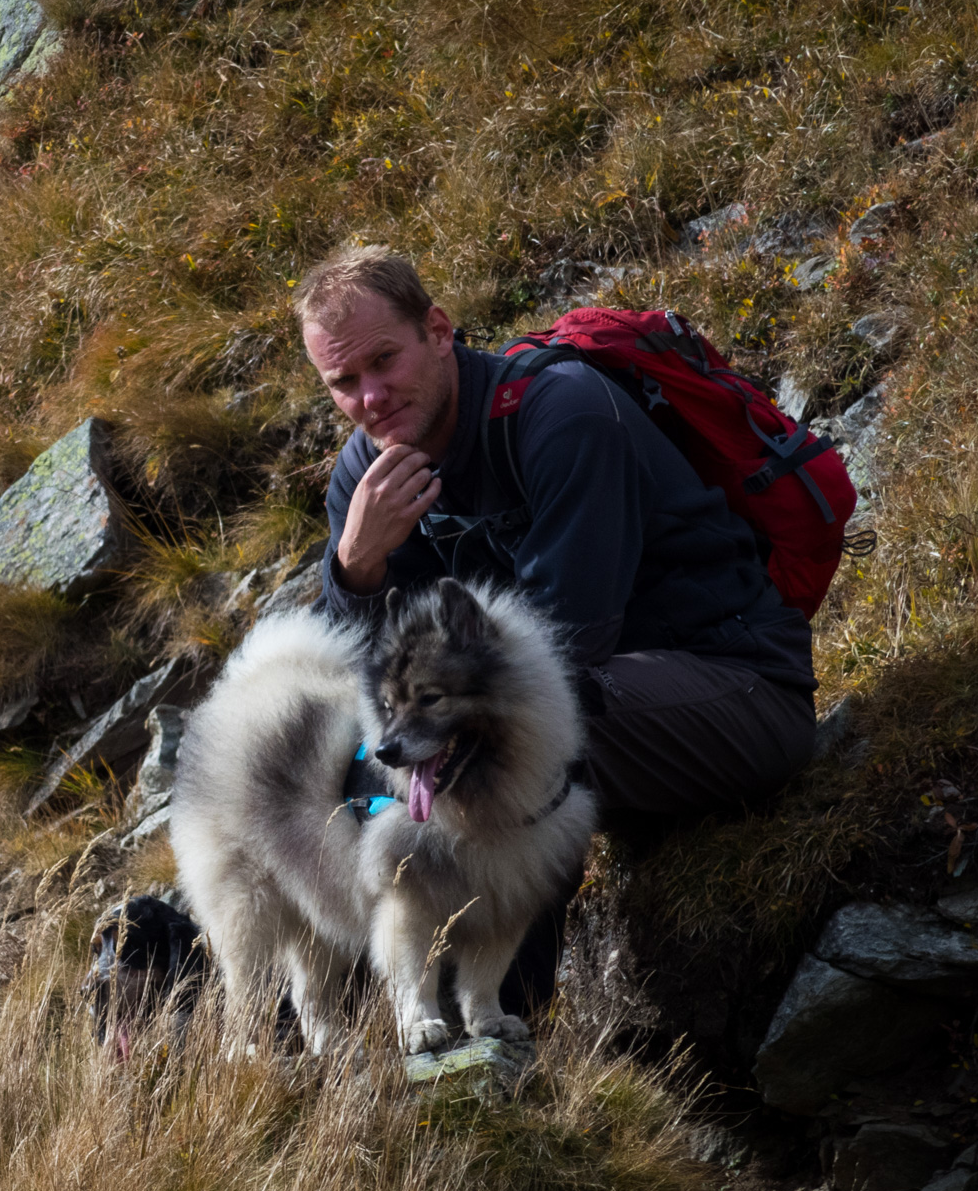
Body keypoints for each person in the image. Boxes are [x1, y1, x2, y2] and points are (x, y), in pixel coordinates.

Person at [298, 245, 818, 1007]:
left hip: (739, 691)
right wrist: (356, 569)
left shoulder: (560, 414)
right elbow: (351, 673)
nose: (371, 396)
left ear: (438, 331)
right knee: (343, 760)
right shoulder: (368, 474)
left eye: (385, 360)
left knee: (508, 739)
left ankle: (494, 1037)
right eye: (344, 382)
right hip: (612, 705)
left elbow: (569, 644)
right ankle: (331, 1033)